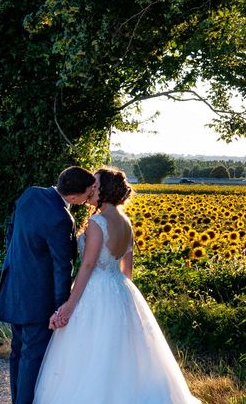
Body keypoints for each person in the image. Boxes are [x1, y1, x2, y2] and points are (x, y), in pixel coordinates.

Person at [33, 167, 200, 404]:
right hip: (121, 291)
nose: (91, 189)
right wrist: (121, 298)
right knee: (121, 357)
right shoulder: (126, 223)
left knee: (90, 356)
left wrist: (70, 304)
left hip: (95, 289)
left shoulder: (97, 222)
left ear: (105, 190)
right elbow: (127, 271)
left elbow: (88, 266)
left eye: (96, 185)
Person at [0, 166, 98, 404]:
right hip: (38, 297)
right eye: (87, 194)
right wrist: (60, 307)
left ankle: (17, 400)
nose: (88, 198)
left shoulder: (30, 194)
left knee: (18, 352)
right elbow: (63, 266)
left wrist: (18, 261)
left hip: (14, 286)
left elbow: (10, 232)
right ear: (74, 196)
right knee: (33, 356)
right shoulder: (61, 218)